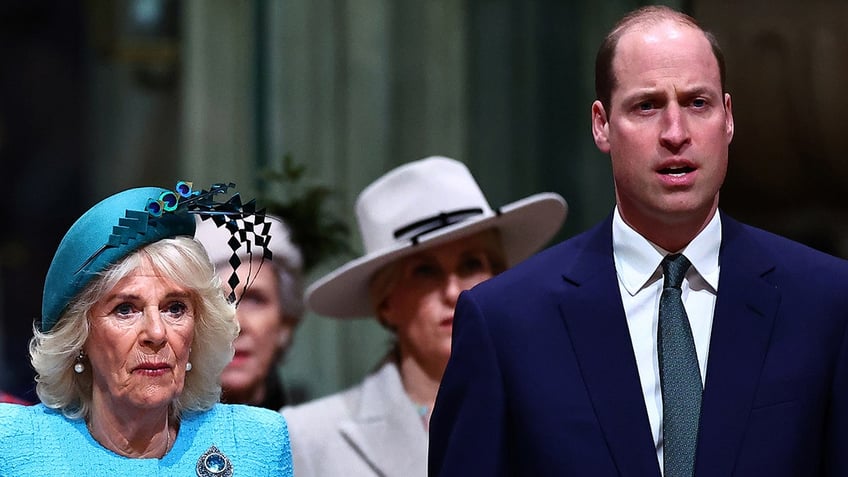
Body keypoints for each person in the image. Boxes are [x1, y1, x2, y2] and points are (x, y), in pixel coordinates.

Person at [429, 6, 848, 477]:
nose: (675, 134)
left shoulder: (827, 302)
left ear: (728, 119)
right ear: (601, 124)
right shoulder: (506, 323)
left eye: (697, 103)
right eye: (646, 106)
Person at [282, 156, 567, 476]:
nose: (454, 292)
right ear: (386, 303)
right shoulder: (307, 438)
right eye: (425, 271)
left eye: (471, 264)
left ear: (499, 277)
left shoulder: (562, 412)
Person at [0, 182, 294, 475]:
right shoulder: (17, 446)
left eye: (175, 308)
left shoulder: (257, 443)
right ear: (79, 337)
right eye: (125, 309)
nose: (156, 333)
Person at [195, 214, 305, 409]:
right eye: (215, 300)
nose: (235, 324)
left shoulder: (313, 434)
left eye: (255, 300)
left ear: (285, 324)